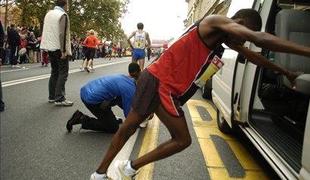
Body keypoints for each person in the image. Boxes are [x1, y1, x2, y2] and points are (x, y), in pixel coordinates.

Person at [89, 9, 310, 180]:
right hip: (159, 82)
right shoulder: (215, 21)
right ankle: (108, 172)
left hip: (163, 86)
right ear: (240, 24)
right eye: (245, 35)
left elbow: (254, 57)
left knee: (158, 133)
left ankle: (124, 168)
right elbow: (260, 38)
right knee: (160, 134)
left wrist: (286, 72)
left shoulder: (222, 39)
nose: (244, 42)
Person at [66, 63, 141, 133]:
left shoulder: (124, 78)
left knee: (119, 98)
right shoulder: (130, 89)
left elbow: (121, 101)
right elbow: (128, 113)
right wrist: (136, 122)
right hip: (91, 100)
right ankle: (82, 119)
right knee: (113, 128)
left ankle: (110, 118)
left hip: (86, 91)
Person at [40, 0, 73, 106]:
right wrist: (64, 51)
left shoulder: (48, 14)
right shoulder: (62, 15)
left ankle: (52, 96)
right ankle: (60, 98)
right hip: (59, 48)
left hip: (50, 47)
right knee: (63, 73)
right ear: (65, 4)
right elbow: (62, 34)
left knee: (54, 71)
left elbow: (46, 31)